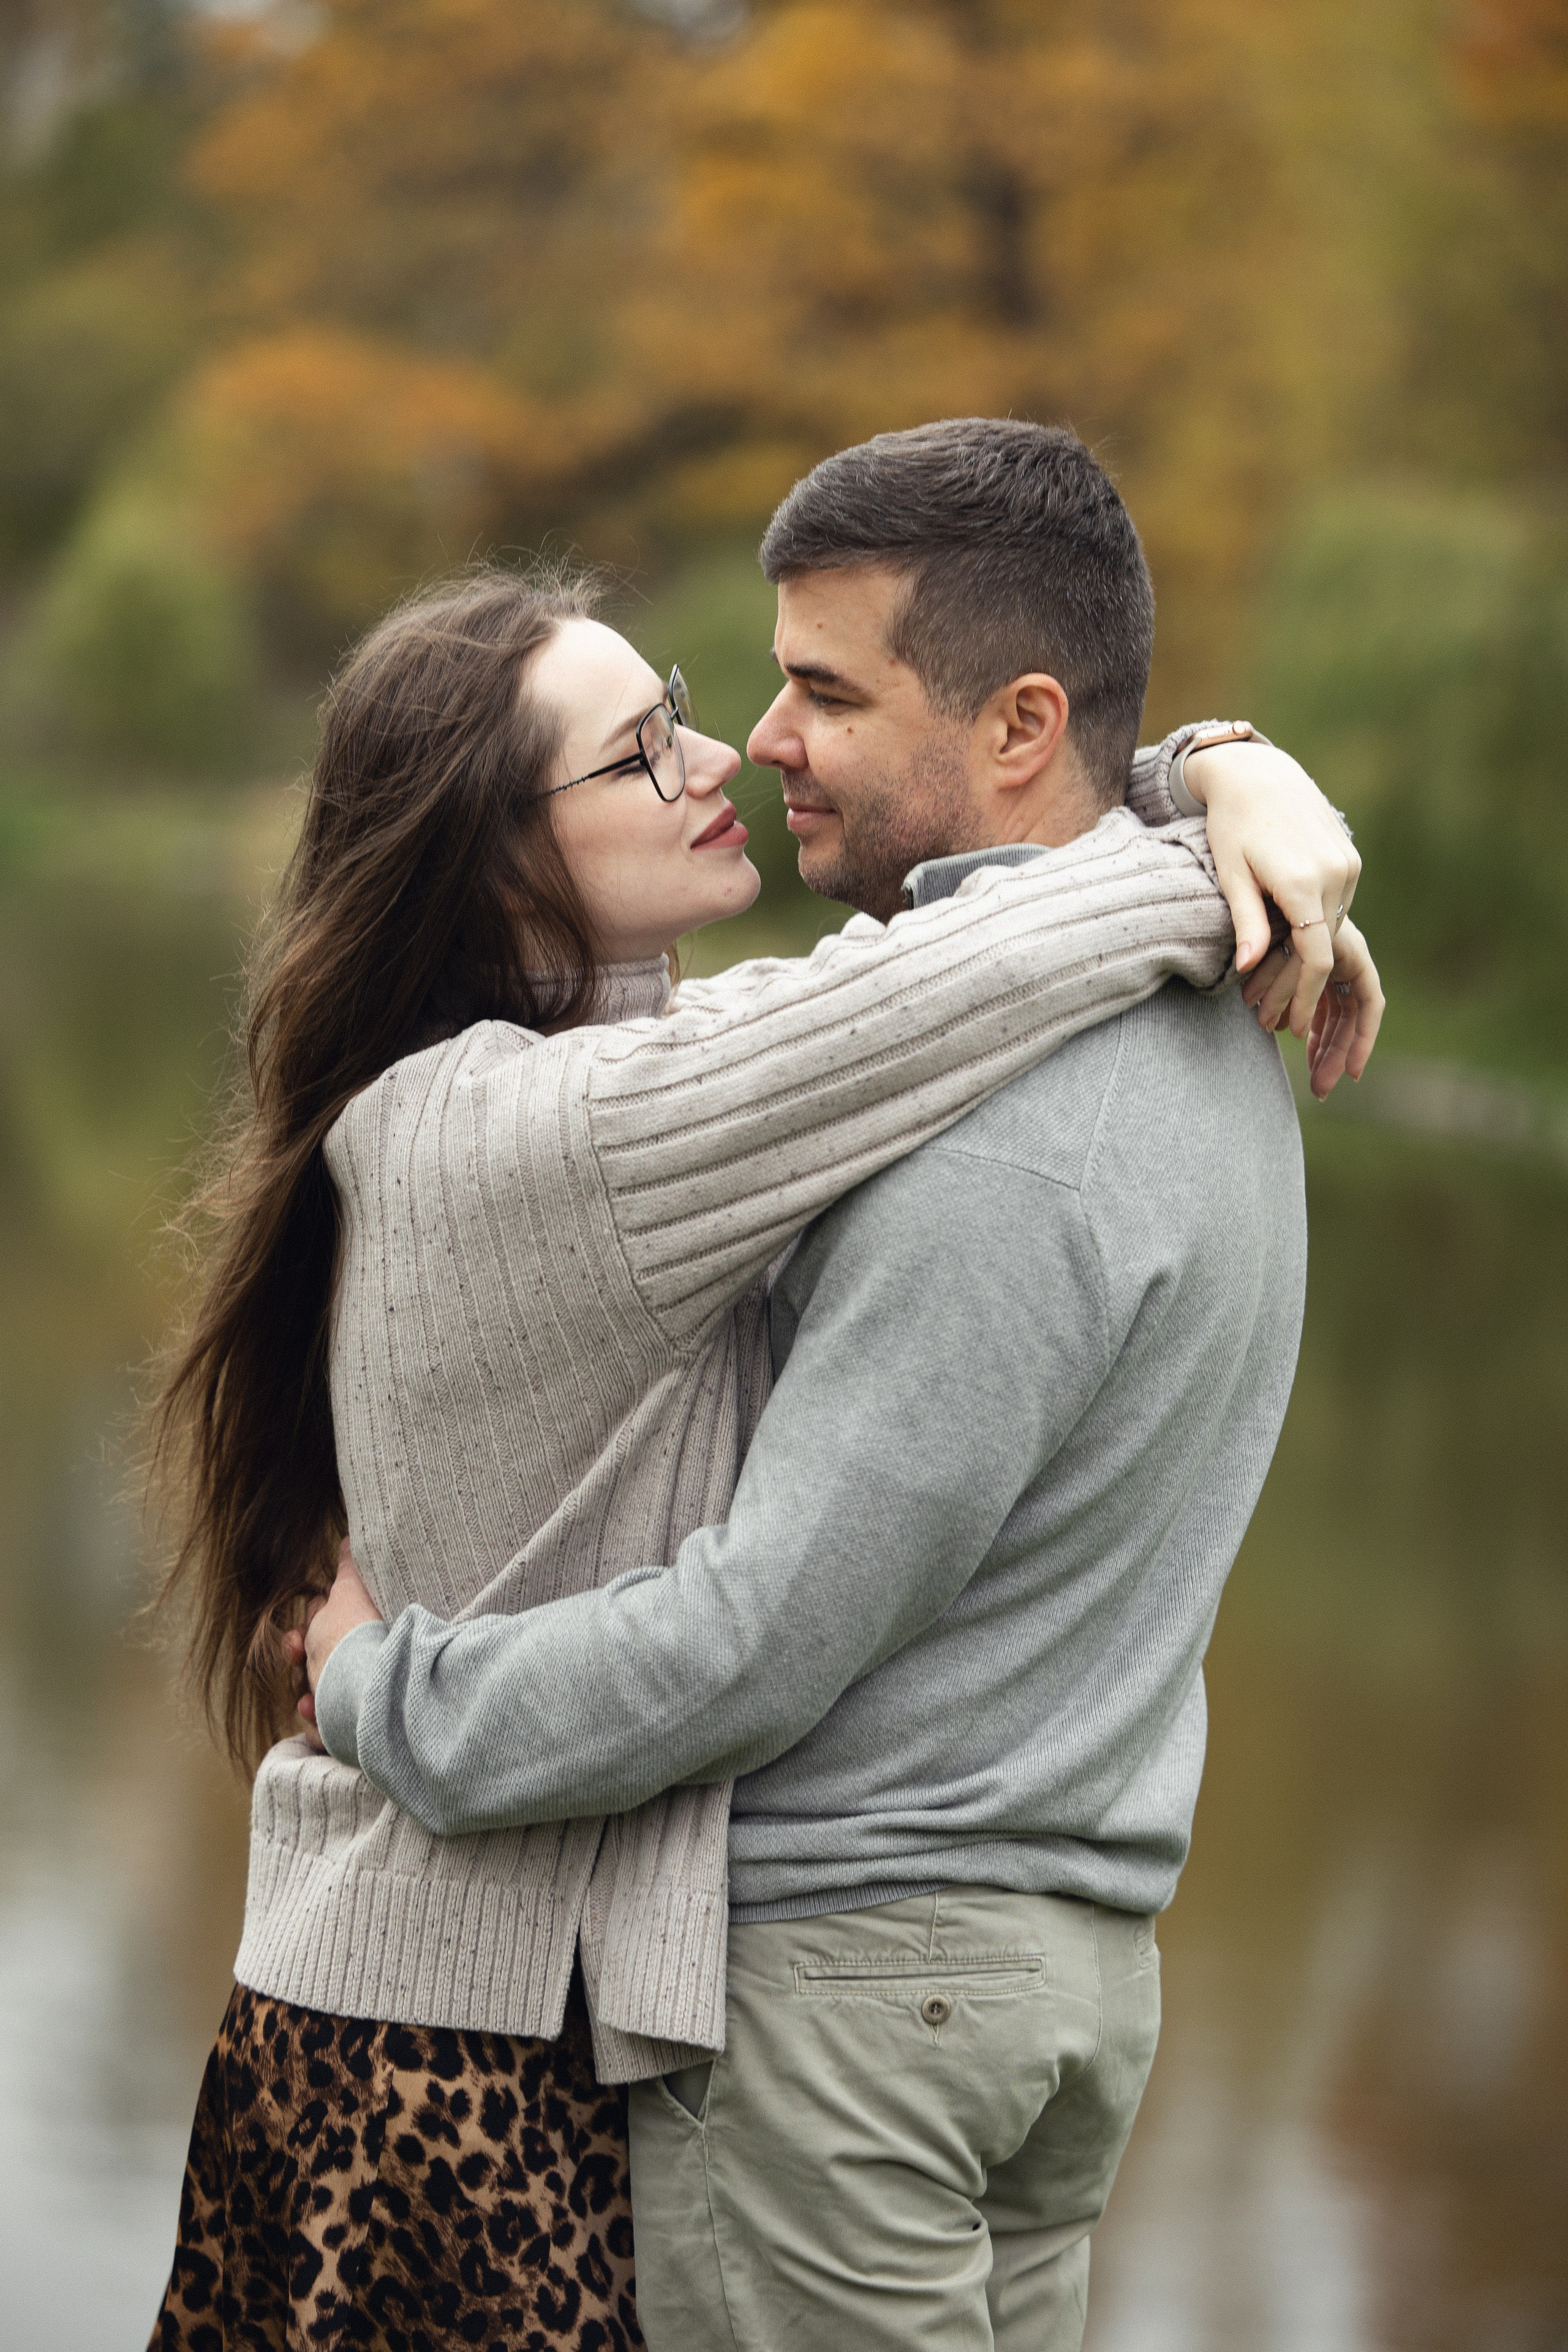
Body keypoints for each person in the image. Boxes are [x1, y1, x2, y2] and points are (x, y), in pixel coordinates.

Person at [151, 425, 1374, 2350]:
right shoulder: (572, 1123)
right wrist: (1226, 823)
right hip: (465, 2029)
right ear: (493, 852)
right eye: (650, 749)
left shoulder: (717, 1078)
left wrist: (1209, 786)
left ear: (1013, 718)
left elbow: (755, 1626)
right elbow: (923, 986)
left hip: (749, 2005)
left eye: (786, 696)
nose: (739, 755)